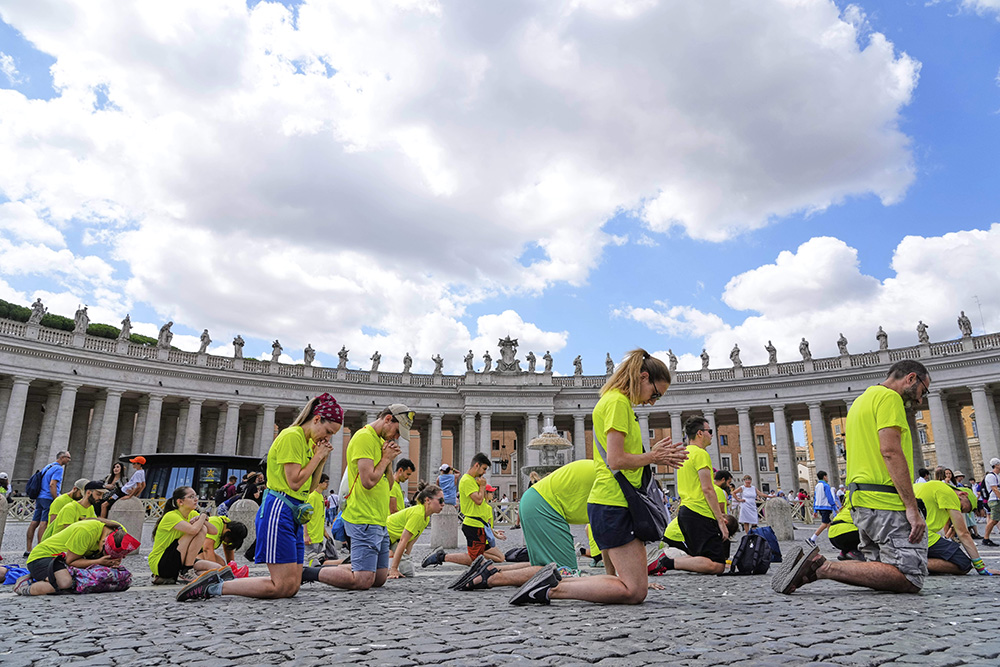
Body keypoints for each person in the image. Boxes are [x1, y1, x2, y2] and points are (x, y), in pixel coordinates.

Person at [507, 347, 687, 605]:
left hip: (614, 503)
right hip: (614, 503)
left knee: (635, 589)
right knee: (635, 592)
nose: (652, 401)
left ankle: (551, 583)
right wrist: (654, 457)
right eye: (655, 393)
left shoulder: (617, 402)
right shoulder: (616, 403)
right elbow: (616, 460)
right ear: (643, 377)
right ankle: (550, 587)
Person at [773, 360, 930, 595]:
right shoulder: (890, 398)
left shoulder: (860, 402)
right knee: (910, 579)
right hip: (885, 502)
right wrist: (911, 507)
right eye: (923, 390)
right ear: (910, 378)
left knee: (881, 571)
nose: (920, 399)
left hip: (861, 501)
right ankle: (821, 567)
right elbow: (890, 451)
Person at [175, 393, 342, 601]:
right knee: (280, 586)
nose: (327, 438)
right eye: (327, 431)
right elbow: (295, 482)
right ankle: (216, 586)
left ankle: (220, 582)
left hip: (295, 512)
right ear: (317, 419)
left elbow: (309, 487)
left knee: (291, 586)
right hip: (279, 510)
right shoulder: (292, 436)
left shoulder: (307, 443)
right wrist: (317, 456)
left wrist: (322, 459)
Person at [300, 403, 412, 593]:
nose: (397, 436)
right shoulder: (364, 438)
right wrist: (385, 459)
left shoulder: (379, 442)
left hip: (379, 519)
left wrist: (389, 459)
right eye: (397, 430)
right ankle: (308, 573)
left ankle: (333, 567)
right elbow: (368, 481)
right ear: (387, 419)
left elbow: (390, 484)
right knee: (362, 580)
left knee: (379, 578)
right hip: (363, 517)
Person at [449, 459, 598, 592]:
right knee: (563, 571)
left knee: (543, 564)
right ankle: (489, 578)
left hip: (533, 502)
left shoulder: (602, 472)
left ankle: (490, 569)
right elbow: (609, 541)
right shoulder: (610, 483)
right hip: (544, 508)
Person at [16, 520, 140, 596]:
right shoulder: (85, 532)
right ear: (103, 542)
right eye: (105, 553)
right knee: (65, 584)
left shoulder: (120, 532)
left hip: (65, 562)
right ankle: (26, 585)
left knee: (85, 584)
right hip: (45, 557)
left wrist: (113, 562)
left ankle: (48, 577)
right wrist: (99, 561)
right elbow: (72, 561)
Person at [652, 469, 738, 575]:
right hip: (677, 537)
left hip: (678, 527)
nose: (729, 486)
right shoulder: (718, 492)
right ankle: (665, 561)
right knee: (714, 563)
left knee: (707, 560)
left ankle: (665, 560)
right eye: (729, 483)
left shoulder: (696, 488)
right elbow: (720, 513)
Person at [423, 453, 503, 567]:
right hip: (473, 525)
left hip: (479, 525)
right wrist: (482, 486)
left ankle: (442, 557)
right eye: (484, 469)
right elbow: (479, 500)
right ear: (476, 465)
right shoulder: (467, 480)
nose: (485, 472)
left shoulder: (472, 480)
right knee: (474, 560)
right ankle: (441, 557)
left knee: (477, 560)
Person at [149, 486, 229, 585]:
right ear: (180, 502)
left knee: (217, 569)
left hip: (182, 559)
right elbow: (194, 530)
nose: (196, 499)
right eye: (191, 497)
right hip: (162, 562)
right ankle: (186, 570)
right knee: (201, 529)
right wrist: (203, 516)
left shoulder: (192, 514)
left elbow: (214, 531)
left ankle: (180, 574)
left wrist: (202, 519)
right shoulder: (171, 516)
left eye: (196, 496)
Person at [914, 480, 991, 576]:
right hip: (924, 536)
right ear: (963, 494)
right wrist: (980, 567)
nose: (959, 511)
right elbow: (963, 533)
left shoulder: (925, 486)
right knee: (963, 564)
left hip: (904, 534)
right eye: (961, 507)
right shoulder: (949, 493)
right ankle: (909, 563)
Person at [386, 484, 445, 579]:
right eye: (440, 500)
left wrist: (406, 559)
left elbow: (410, 542)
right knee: (405, 570)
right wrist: (394, 568)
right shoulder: (418, 514)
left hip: (392, 540)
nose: (443, 504)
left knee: (407, 571)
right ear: (428, 500)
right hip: (382, 536)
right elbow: (403, 541)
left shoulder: (425, 518)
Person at [24, 450, 71, 557]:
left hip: (40, 497)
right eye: (68, 458)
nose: (69, 460)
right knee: (44, 523)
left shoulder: (48, 466)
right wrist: (56, 499)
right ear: (62, 457)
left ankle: (28, 549)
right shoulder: (59, 468)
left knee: (34, 522)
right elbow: (52, 484)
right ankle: (41, 549)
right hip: (48, 498)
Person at [37, 478, 89, 543]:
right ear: (75, 489)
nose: (82, 497)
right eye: (81, 494)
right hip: (58, 539)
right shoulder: (60, 501)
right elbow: (52, 522)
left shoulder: (86, 504)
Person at [304, 474, 332, 566]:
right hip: (312, 536)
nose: (327, 484)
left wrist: (325, 533)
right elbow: (306, 517)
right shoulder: (312, 497)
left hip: (319, 536)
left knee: (317, 562)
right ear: (319, 483)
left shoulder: (320, 497)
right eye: (326, 482)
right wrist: (306, 535)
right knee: (313, 562)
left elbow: (321, 516)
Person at [807, 471, 839, 547]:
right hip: (826, 507)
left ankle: (833, 542)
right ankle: (812, 539)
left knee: (829, 524)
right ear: (824, 477)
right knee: (824, 524)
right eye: (827, 476)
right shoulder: (826, 485)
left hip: (819, 507)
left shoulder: (817, 486)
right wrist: (835, 507)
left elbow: (815, 498)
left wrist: (815, 510)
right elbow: (829, 497)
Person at [981, 458, 1000, 547]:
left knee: (994, 520)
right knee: (993, 520)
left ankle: (986, 538)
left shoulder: (996, 475)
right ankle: (986, 538)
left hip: (996, 499)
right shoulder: (991, 476)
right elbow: (994, 489)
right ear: (996, 465)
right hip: (995, 500)